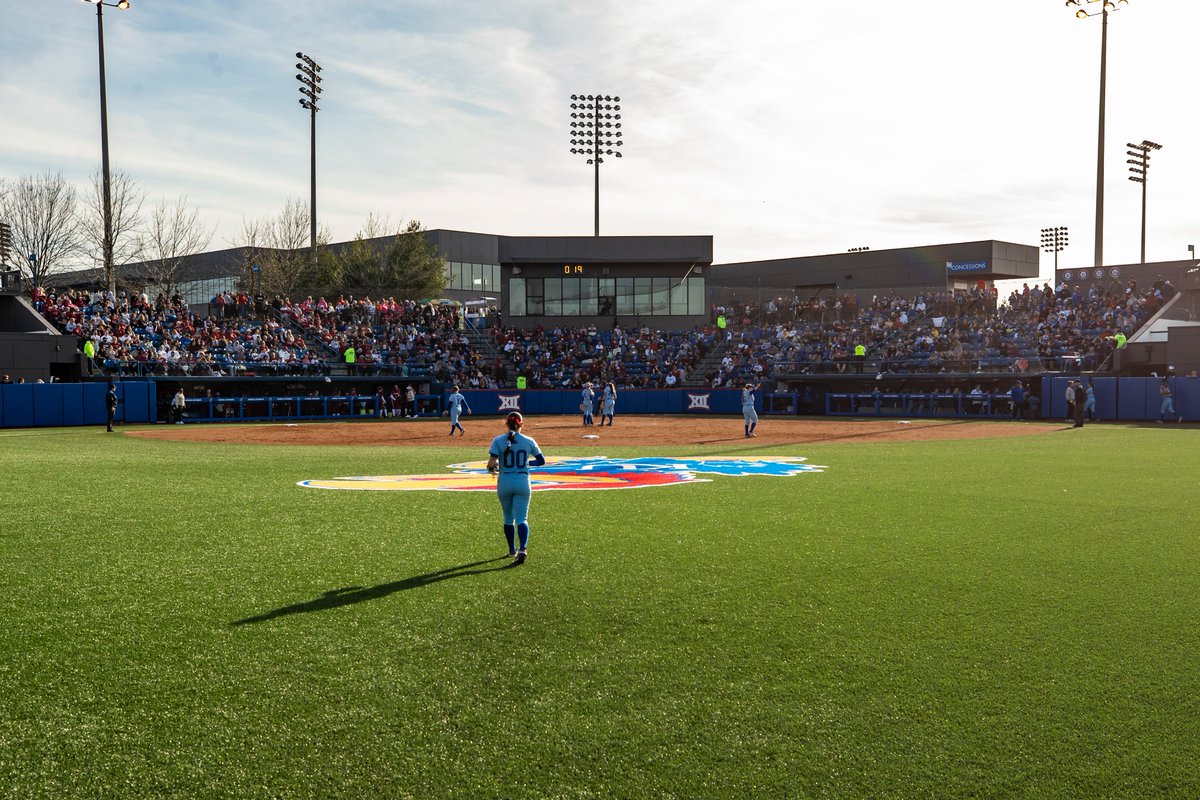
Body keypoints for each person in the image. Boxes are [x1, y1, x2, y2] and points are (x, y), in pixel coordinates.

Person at [487, 412, 545, 565]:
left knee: (508, 517)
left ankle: (512, 549)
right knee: (522, 518)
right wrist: (526, 464)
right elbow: (541, 461)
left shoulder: (498, 440)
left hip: (505, 480)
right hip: (522, 480)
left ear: (506, 424)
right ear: (522, 424)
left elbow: (491, 464)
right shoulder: (528, 440)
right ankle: (522, 549)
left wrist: (496, 467)